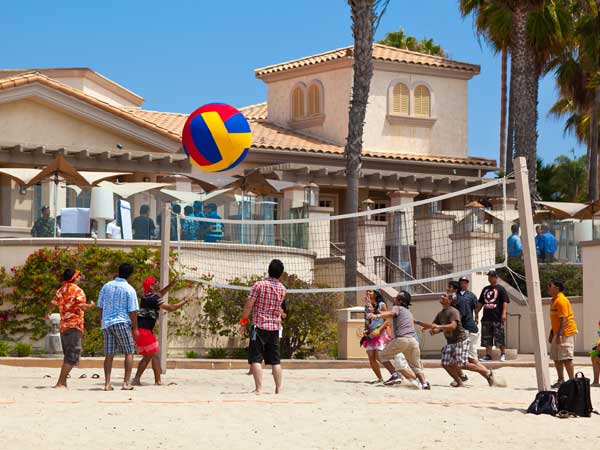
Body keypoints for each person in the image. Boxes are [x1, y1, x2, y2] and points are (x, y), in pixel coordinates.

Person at [418, 293, 494, 388]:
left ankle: (487, 373)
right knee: (445, 363)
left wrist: (438, 327)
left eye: (444, 296)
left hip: (460, 341)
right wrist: (431, 329)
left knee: (463, 364)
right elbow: (435, 326)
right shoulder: (441, 314)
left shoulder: (453, 311)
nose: (442, 296)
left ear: (450, 301)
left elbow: (453, 326)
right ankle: (459, 382)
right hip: (451, 343)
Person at [132, 276, 190, 386]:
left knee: (152, 356)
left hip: (140, 330)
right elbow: (171, 308)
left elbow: (160, 294)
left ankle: (155, 381)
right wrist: (185, 300)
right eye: (156, 282)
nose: (158, 282)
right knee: (152, 356)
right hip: (144, 331)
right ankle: (139, 379)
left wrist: (171, 284)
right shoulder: (154, 299)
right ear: (151, 286)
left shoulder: (146, 296)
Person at [240, 259, 286, 394]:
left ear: (268, 270)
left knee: (256, 358)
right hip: (274, 327)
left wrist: (243, 322)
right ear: (281, 273)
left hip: (259, 326)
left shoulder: (259, 285)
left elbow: (249, 305)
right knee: (276, 361)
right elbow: (279, 309)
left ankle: (259, 388)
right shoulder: (282, 289)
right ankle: (278, 389)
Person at [46, 268, 95, 388]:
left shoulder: (61, 289)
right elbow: (83, 307)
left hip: (63, 327)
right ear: (74, 278)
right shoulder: (78, 291)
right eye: (78, 276)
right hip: (74, 326)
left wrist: (48, 312)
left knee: (68, 354)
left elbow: (52, 303)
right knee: (72, 355)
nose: (79, 278)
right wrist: (91, 305)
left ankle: (63, 382)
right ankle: (60, 383)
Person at [371, 291, 430, 390]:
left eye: (396, 298)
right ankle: (424, 384)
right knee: (416, 366)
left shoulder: (397, 307)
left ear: (400, 301)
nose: (394, 299)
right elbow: (416, 322)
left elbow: (391, 313)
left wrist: (377, 315)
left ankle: (395, 375)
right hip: (413, 341)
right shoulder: (409, 312)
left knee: (381, 356)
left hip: (401, 339)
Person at [98, 263, 139, 391]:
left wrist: (102, 320)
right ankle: (126, 382)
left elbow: (100, 306)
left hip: (107, 323)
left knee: (109, 354)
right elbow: (132, 311)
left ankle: (107, 383)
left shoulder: (107, 286)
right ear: (130, 275)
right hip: (121, 322)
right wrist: (135, 328)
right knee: (129, 351)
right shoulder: (129, 289)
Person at [547, 280, 578, 388]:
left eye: (550, 286)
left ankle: (572, 382)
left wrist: (560, 334)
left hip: (566, 333)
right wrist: (552, 333)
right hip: (558, 332)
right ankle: (561, 380)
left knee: (566, 358)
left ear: (557, 288)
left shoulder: (561, 300)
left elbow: (564, 319)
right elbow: (556, 320)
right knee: (556, 357)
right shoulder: (553, 300)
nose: (548, 287)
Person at [475, 270, 510, 361]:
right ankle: (488, 355)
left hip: (497, 317)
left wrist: (504, 313)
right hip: (486, 317)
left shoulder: (501, 289)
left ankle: (503, 354)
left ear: (495, 277)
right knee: (487, 338)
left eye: (491, 277)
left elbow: (505, 302)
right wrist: (476, 313)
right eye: (489, 277)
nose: (489, 278)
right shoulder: (485, 289)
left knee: (499, 337)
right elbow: (481, 302)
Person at [361, 290, 392, 384]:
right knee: (371, 357)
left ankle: (394, 374)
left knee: (380, 356)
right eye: (367, 291)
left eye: (370, 291)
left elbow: (387, 320)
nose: (367, 292)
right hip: (371, 333)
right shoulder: (366, 307)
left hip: (380, 332)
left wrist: (379, 330)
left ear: (376, 293)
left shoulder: (381, 304)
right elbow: (366, 321)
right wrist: (366, 330)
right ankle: (380, 379)